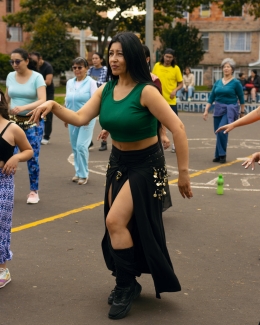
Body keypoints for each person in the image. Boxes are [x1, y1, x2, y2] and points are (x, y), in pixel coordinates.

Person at [29, 32, 193, 320]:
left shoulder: (146, 91)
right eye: (111, 53)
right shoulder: (105, 90)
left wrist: (182, 174)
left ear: (131, 56)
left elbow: (178, 128)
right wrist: (54, 106)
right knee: (120, 224)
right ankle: (129, 281)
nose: (113, 59)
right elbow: (81, 118)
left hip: (146, 165)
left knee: (114, 220)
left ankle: (125, 285)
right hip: (118, 162)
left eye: (119, 53)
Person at [0, 89, 33, 288]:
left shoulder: (12, 128)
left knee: (1, 225)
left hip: (3, 181)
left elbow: (28, 150)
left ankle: (2, 268)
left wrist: (16, 157)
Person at [5, 48, 46, 204]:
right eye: (12, 62)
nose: (14, 64)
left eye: (17, 61)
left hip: (32, 122)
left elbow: (43, 99)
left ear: (27, 61)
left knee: (32, 157)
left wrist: (23, 107)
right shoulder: (10, 76)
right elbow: (7, 97)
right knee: (8, 157)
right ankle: (6, 188)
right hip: (13, 123)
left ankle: (33, 191)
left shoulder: (37, 77)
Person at [203, 58, 245, 164]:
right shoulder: (217, 82)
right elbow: (211, 97)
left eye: (228, 67)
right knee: (217, 132)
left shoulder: (236, 83)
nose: (226, 68)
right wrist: (206, 110)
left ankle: (222, 155)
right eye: (224, 67)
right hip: (218, 108)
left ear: (232, 70)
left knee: (222, 131)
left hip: (230, 109)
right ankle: (217, 155)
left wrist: (242, 112)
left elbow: (241, 97)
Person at [65, 57, 97, 185]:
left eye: (80, 67)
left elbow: (95, 101)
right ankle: (78, 172)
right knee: (74, 146)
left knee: (81, 146)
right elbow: (67, 100)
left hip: (86, 119)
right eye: (74, 67)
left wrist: (88, 117)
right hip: (72, 118)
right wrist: (65, 116)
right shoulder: (70, 83)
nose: (77, 70)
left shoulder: (91, 82)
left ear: (86, 69)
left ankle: (84, 174)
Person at [152, 48, 183, 153]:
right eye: (166, 56)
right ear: (163, 56)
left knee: (174, 124)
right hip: (158, 100)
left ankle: (175, 144)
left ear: (173, 58)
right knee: (157, 124)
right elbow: (152, 79)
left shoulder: (176, 68)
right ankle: (157, 144)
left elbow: (181, 83)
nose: (168, 59)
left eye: (170, 57)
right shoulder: (157, 66)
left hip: (171, 101)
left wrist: (175, 90)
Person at [30, 52, 55, 145]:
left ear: (40, 59)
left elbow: (48, 81)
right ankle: (36, 134)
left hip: (48, 93)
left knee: (47, 114)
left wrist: (37, 82)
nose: (34, 63)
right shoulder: (33, 67)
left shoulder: (47, 67)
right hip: (37, 93)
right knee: (36, 113)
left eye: (35, 61)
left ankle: (46, 136)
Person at [87, 52, 108, 151]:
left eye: (96, 58)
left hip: (102, 97)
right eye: (93, 59)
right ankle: (88, 141)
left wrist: (91, 83)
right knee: (87, 118)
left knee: (103, 120)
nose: (94, 60)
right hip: (91, 98)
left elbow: (102, 83)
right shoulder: (90, 70)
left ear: (101, 60)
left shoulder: (105, 70)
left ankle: (104, 142)